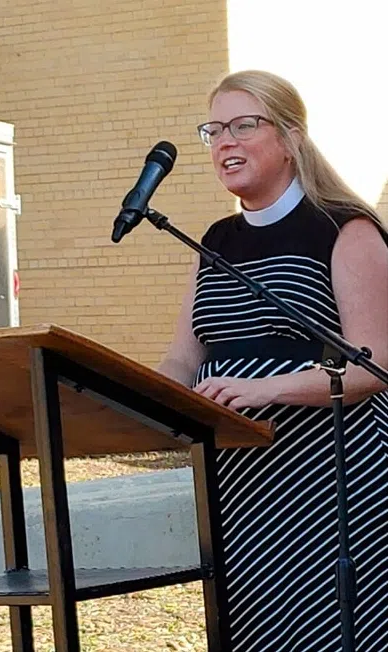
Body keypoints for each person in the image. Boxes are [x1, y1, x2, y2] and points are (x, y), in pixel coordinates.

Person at [157, 69, 388, 651]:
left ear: (290, 138)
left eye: (244, 125)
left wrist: (269, 389)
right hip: (239, 486)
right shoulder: (216, 240)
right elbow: (185, 358)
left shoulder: (345, 228)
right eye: (214, 130)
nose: (225, 142)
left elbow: (376, 360)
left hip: (331, 486)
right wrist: (128, 398)